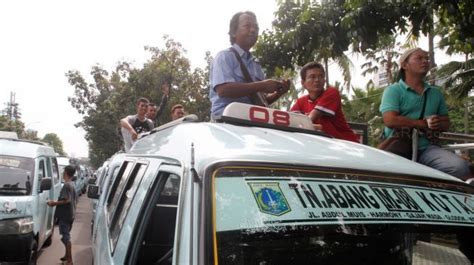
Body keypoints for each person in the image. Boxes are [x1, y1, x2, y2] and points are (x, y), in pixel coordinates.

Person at [379, 47, 470, 179]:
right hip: (399, 146)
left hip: (427, 148)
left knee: (459, 168)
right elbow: (390, 120)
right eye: (419, 58)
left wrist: (438, 123)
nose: (425, 61)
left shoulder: (435, 93)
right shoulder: (393, 90)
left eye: (426, 58)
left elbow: (446, 123)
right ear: (405, 65)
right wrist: (422, 124)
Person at [209, 11, 290, 120]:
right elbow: (223, 90)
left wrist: (279, 93)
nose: (253, 30)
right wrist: (262, 85)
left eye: (256, 28)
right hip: (227, 120)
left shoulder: (255, 63)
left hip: (251, 121)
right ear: (233, 32)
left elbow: (260, 100)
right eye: (247, 26)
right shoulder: (224, 56)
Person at [290, 62, 359, 143]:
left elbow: (311, 118)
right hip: (326, 146)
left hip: (348, 145)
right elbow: (289, 120)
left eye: (321, 76)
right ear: (303, 83)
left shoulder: (332, 92)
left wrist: (305, 125)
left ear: (324, 80)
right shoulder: (301, 102)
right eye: (312, 77)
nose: (317, 80)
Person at [47, 165, 76, 265]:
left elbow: (67, 200)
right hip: (69, 215)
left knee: (66, 238)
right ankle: (67, 256)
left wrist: (53, 203)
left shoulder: (67, 185)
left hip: (65, 216)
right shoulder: (72, 184)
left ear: (65, 173)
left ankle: (70, 260)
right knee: (65, 237)